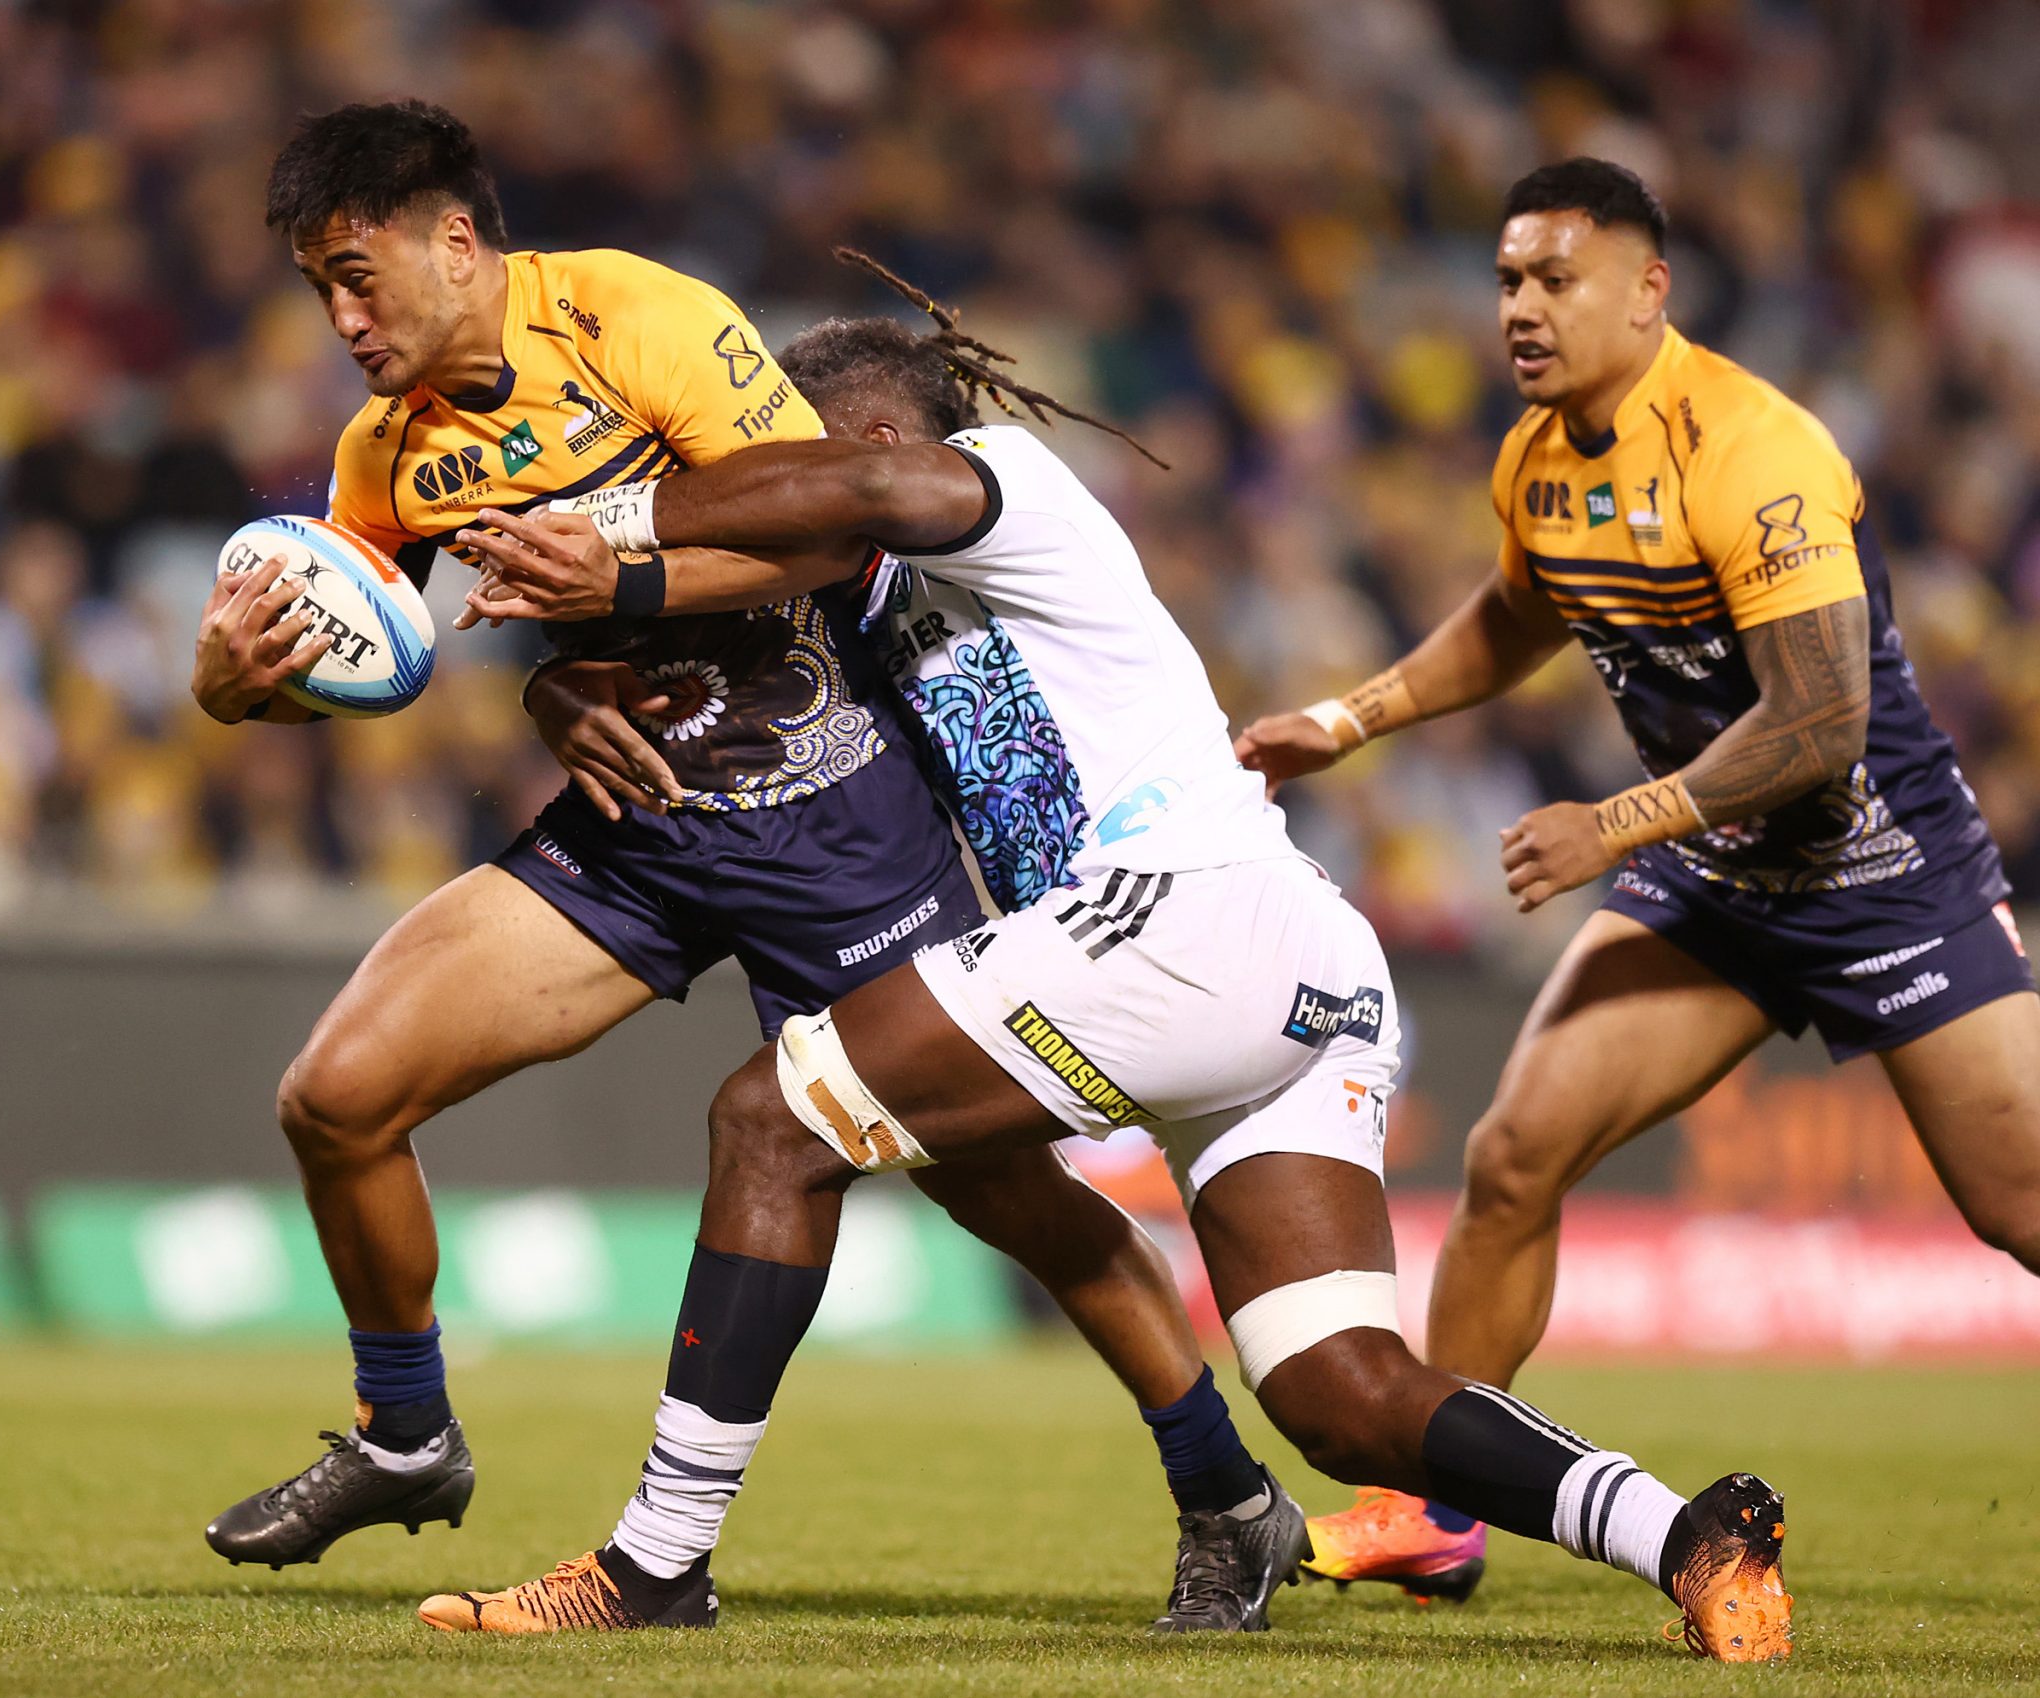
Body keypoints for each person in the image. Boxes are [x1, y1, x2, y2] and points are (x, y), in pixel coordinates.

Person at [419, 257, 1792, 1662]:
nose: (758, 473)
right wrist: (560, 668)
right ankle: (1695, 1537)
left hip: (1175, 914)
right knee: (1339, 1391)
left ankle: (654, 1562)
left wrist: (610, 512)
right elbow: (707, 627)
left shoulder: (996, 478)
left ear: (877, 444)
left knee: (770, 1121)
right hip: (1289, 961)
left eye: (783, 451)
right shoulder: (871, 594)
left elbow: (860, 501)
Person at [190, 103, 1274, 1617]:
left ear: (454, 240)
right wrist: (237, 680)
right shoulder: (386, 457)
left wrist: (612, 580)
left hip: (833, 818)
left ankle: (1227, 1484)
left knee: (1002, 1193)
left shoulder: (642, 318)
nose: (342, 318)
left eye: (359, 274)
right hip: (634, 833)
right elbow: (361, 647)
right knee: (337, 1095)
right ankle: (407, 1431)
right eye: (319, 288)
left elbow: (826, 536)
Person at [1234, 157, 2040, 1603]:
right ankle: (1435, 1505)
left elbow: (1818, 722)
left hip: (1880, 870)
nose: (1522, 309)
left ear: (1648, 289)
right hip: (1716, 880)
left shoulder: (1755, 447)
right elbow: (1509, 617)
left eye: (1556, 279)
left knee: (2022, 1207)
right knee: (1511, 1157)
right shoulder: (1537, 457)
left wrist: (1614, 824)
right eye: (1506, 281)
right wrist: (1347, 720)